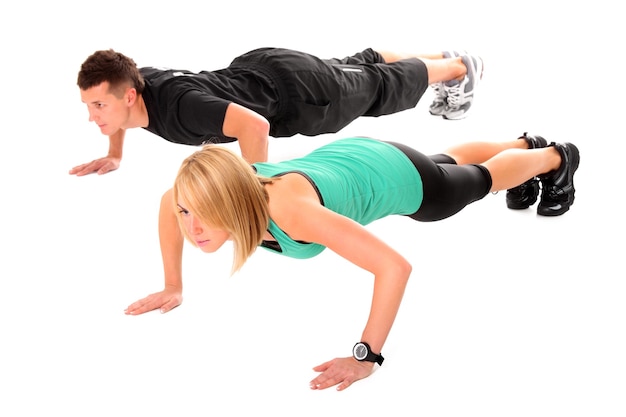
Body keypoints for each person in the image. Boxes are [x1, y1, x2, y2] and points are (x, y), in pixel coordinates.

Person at [123, 132, 580, 391]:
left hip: (399, 180)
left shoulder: (292, 213)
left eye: (203, 212)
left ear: (233, 199)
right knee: (448, 161)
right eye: (188, 212)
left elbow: (394, 267)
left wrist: (367, 358)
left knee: (476, 181)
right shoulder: (203, 193)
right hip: (356, 158)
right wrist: (172, 284)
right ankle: (523, 143)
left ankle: (555, 157)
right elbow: (169, 202)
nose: (192, 225)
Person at [71, 47, 483, 175]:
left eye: (98, 105)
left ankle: (459, 68)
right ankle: (440, 60)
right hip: (264, 67)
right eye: (90, 106)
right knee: (359, 67)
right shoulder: (135, 83)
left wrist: (257, 184)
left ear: (127, 97)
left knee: (377, 89)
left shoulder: (182, 108)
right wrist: (115, 153)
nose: (93, 116)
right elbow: (116, 106)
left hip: (301, 95)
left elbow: (254, 125)